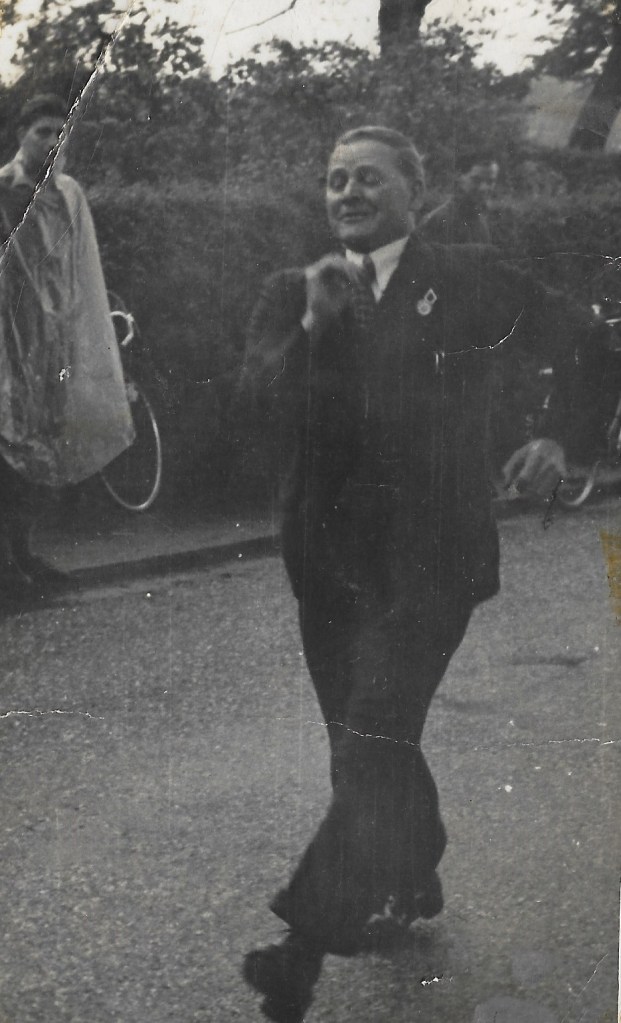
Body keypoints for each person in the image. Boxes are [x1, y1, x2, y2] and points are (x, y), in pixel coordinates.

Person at [241, 125, 587, 1023]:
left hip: (433, 558)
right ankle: (415, 856)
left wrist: (560, 436)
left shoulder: (467, 276)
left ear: (412, 191)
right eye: (334, 179)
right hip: (328, 563)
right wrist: (314, 327)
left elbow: (589, 339)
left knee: (372, 736)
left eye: (367, 178)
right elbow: (254, 407)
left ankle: (301, 949)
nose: (347, 193)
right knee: (363, 743)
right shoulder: (291, 292)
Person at [0, 94, 134, 609]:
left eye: (61, 133)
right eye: (42, 132)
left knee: (47, 450)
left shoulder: (69, 194)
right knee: (8, 452)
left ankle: (23, 552)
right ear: (21, 134)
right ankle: (5, 567)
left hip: (53, 345)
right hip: (9, 346)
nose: (52, 142)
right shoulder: (3, 189)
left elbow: (80, 267)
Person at [420, 157, 499, 244]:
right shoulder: (438, 220)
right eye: (476, 180)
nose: (483, 188)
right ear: (460, 178)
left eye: (490, 182)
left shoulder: (481, 222)